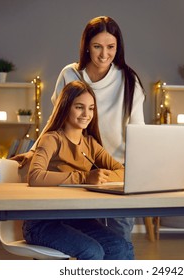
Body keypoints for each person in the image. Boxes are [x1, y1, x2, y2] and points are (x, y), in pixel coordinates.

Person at [13, 16, 145, 258]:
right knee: (89, 246)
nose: (104, 54)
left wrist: (132, 171)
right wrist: (36, 150)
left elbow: (139, 131)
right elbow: (55, 118)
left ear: (118, 47)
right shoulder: (70, 74)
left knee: (120, 244)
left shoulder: (129, 80)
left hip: (111, 168)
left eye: (111, 47)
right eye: (97, 46)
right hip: (80, 171)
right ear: (87, 45)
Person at [23, 80, 130, 260]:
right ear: (65, 108)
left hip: (77, 218)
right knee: (93, 252)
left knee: (121, 247)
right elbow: (34, 176)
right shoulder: (51, 139)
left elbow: (123, 171)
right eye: (79, 107)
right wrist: (85, 177)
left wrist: (101, 177)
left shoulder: (90, 144)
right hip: (42, 223)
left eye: (91, 108)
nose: (86, 114)